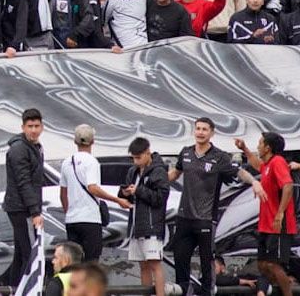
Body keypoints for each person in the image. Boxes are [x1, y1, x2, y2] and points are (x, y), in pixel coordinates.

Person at [168, 117, 264, 296]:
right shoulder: (186, 152)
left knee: (207, 263)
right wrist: (155, 182)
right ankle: (184, 292)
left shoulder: (219, 156)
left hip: (205, 220)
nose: (200, 132)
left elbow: (239, 171)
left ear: (212, 133)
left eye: (205, 129)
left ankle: (207, 293)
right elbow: (174, 173)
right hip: (184, 218)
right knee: (180, 260)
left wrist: (254, 183)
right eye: (198, 129)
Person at [234, 132, 297, 296]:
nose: (258, 146)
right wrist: (245, 149)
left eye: (260, 143)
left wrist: (280, 213)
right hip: (266, 223)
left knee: (273, 264)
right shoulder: (268, 164)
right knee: (262, 264)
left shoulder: (278, 162)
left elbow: (288, 186)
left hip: (278, 223)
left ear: (267, 147)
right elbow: (257, 165)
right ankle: (277, 287)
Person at [59, 124, 131, 262]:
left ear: (75, 141)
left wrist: (69, 212)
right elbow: (92, 188)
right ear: (93, 141)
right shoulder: (92, 162)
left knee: (73, 262)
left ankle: (74, 284)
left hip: (72, 220)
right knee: (91, 262)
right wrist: (118, 200)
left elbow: (63, 194)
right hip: (90, 219)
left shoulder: (67, 162)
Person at [120, 137, 170, 296]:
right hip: (136, 225)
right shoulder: (132, 171)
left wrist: (139, 190)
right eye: (133, 158)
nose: (136, 161)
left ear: (148, 153)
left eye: (138, 157)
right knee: (143, 265)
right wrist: (124, 192)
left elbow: (160, 198)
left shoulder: (159, 171)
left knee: (155, 264)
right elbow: (127, 195)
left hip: (152, 225)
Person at [2, 108, 44, 286]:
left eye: (36, 126)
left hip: (23, 207)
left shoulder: (34, 147)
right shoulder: (19, 149)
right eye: (30, 126)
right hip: (20, 209)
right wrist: (35, 212)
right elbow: (23, 182)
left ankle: (15, 288)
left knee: (21, 253)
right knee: (28, 254)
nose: (33, 130)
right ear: (23, 127)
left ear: (42, 127)